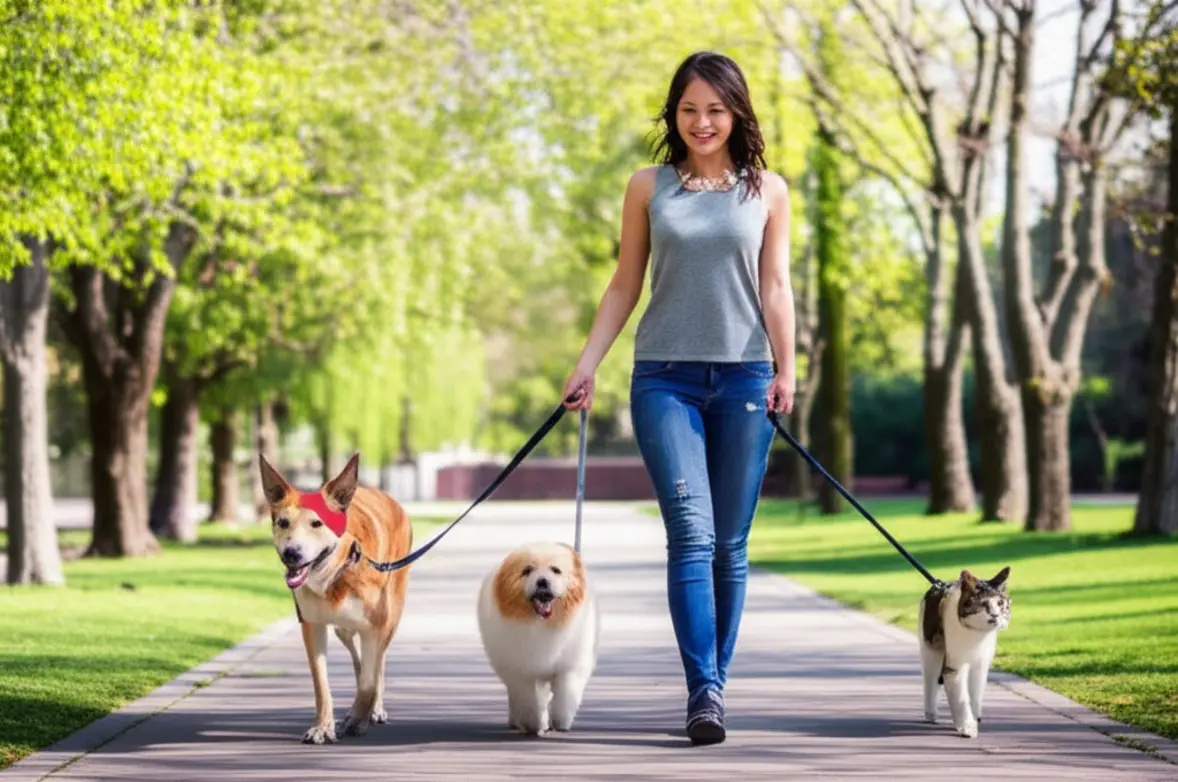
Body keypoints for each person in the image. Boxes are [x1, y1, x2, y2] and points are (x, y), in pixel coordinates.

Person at [561, 50, 796, 746]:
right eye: (689, 110)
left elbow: (776, 287)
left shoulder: (768, 191)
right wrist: (587, 363)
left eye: (715, 110)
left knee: (730, 544)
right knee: (692, 534)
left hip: (747, 377)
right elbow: (624, 283)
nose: (702, 123)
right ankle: (703, 691)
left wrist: (788, 369)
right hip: (664, 379)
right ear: (674, 115)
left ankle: (713, 682)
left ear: (737, 114)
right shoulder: (648, 187)